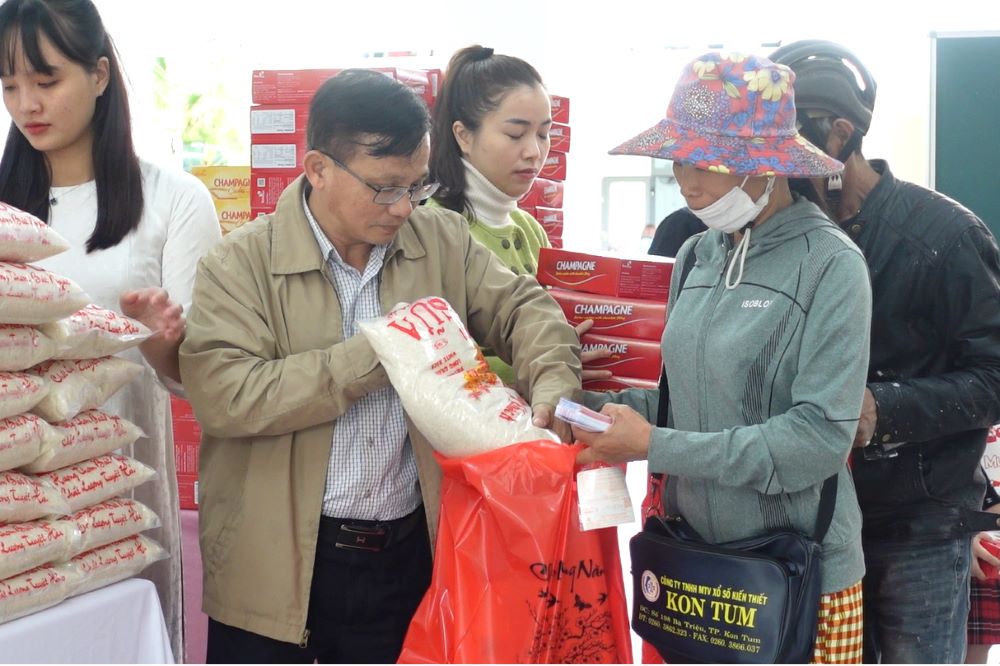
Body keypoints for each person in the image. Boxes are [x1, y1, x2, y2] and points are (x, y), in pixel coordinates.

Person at [177, 68, 581, 664]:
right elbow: (225, 395)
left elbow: (525, 309)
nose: (403, 207)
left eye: (415, 186)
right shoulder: (239, 264)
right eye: (385, 188)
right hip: (275, 563)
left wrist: (553, 386)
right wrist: (377, 354)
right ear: (317, 170)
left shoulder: (439, 238)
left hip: (406, 557)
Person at [572, 51, 872, 664]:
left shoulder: (832, 265)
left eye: (707, 162)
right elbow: (685, 399)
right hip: (698, 565)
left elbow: (815, 440)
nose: (688, 182)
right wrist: (595, 409)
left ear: (770, 167)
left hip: (795, 570)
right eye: (679, 159)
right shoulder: (697, 256)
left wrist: (655, 445)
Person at [0, 0, 221, 659]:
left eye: (46, 80)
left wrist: (157, 342)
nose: (26, 104)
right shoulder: (7, 215)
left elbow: (202, 381)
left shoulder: (174, 200)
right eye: (9, 86)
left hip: (111, 503)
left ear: (99, 75)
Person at [769, 39, 1000, 664]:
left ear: (839, 134)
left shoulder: (945, 237)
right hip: (804, 526)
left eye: (791, 148)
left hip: (918, 527)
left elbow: (994, 377)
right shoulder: (783, 238)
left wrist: (884, 409)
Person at [428, 43, 609, 383]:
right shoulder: (432, 227)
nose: (534, 151)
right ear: (463, 135)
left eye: (544, 134)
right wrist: (547, 370)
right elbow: (435, 362)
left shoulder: (530, 229)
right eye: (515, 134)